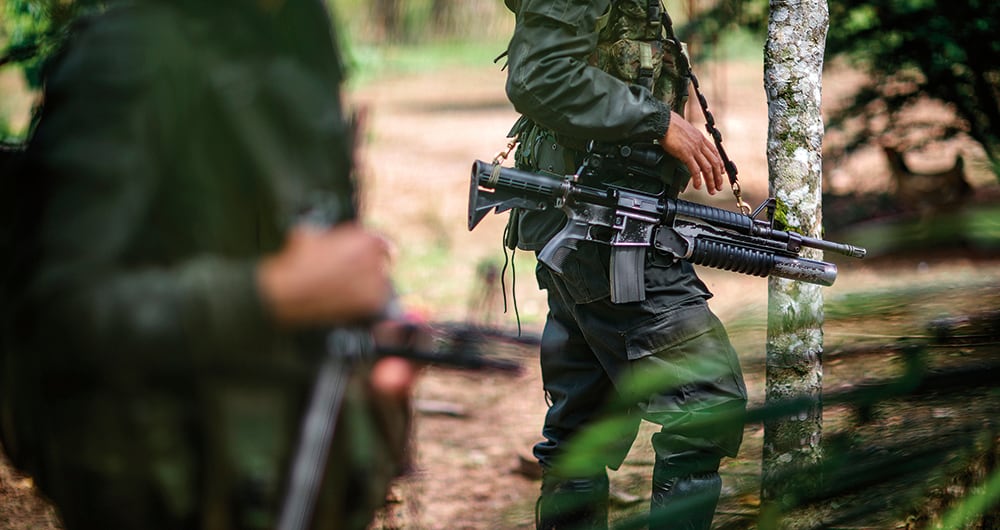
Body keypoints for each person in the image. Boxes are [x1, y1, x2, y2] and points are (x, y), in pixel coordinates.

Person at [2, 1, 418, 529]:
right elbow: (56, 315)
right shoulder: (130, 52)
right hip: (166, 489)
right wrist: (271, 294)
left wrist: (369, 328)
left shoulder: (299, 30)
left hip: (295, 477)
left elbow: (300, 239)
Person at [500, 1, 749, 528]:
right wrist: (659, 123)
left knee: (583, 429)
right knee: (707, 402)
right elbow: (540, 74)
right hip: (605, 229)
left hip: (603, 220)